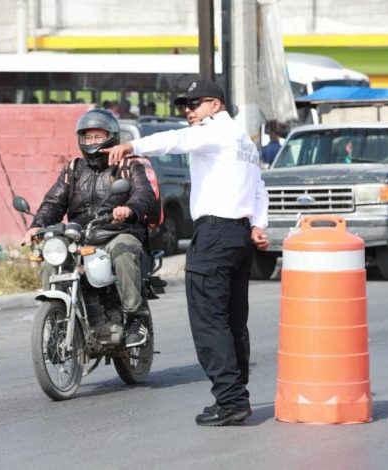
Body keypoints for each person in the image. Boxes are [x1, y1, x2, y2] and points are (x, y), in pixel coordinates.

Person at [102, 79, 269, 426]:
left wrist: (133, 145)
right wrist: (257, 224)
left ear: (216, 105)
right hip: (239, 235)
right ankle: (236, 396)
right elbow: (258, 186)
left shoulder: (215, 131)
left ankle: (231, 399)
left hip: (215, 235)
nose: (188, 112)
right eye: (185, 107)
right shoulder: (243, 141)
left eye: (195, 105)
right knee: (234, 321)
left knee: (210, 321)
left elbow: (176, 140)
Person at [22, 108, 155, 347]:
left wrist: (129, 209)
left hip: (116, 233)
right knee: (51, 259)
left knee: (125, 251)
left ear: (111, 137)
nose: (93, 142)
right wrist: (37, 225)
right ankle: (58, 320)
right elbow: (54, 201)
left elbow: (144, 194)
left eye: (98, 137)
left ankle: (136, 319)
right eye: (88, 137)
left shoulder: (128, 166)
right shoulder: (73, 170)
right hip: (80, 237)